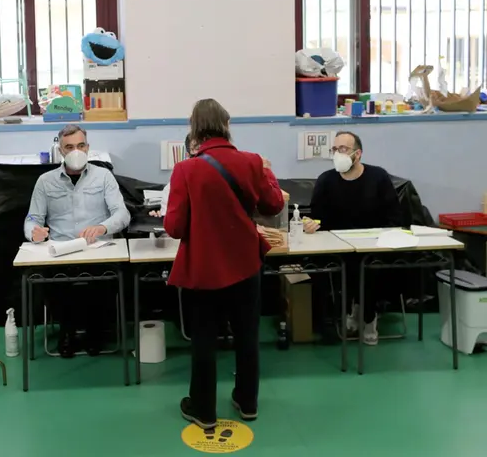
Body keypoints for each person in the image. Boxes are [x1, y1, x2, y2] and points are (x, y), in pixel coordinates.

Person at [164, 99, 284, 429]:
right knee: (247, 335)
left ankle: (203, 410)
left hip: (203, 267)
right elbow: (273, 205)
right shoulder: (252, 162)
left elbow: (174, 227)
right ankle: (247, 403)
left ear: (194, 130)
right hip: (246, 263)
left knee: (204, 339)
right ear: (227, 125)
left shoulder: (186, 169)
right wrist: (267, 171)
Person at [24, 124, 130, 358]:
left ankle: (95, 332)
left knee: (103, 282)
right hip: (61, 251)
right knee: (53, 282)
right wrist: (34, 232)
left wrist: (103, 226)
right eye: (69, 147)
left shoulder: (104, 177)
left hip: (97, 250)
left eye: (80, 145)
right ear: (60, 151)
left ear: (88, 147)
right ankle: (67, 331)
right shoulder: (45, 181)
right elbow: (32, 218)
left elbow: (122, 215)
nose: (76, 151)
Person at [303, 131, 401, 345]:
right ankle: (352, 311)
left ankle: (368, 317)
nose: (338, 153)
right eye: (335, 149)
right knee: (341, 267)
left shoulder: (378, 177)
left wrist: (379, 239)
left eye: (344, 149)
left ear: (358, 154)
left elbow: (393, 216)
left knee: (368, 268)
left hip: (373, 246)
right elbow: (318, 217)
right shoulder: (326, 180)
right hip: (337, 247)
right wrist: (312, 224)